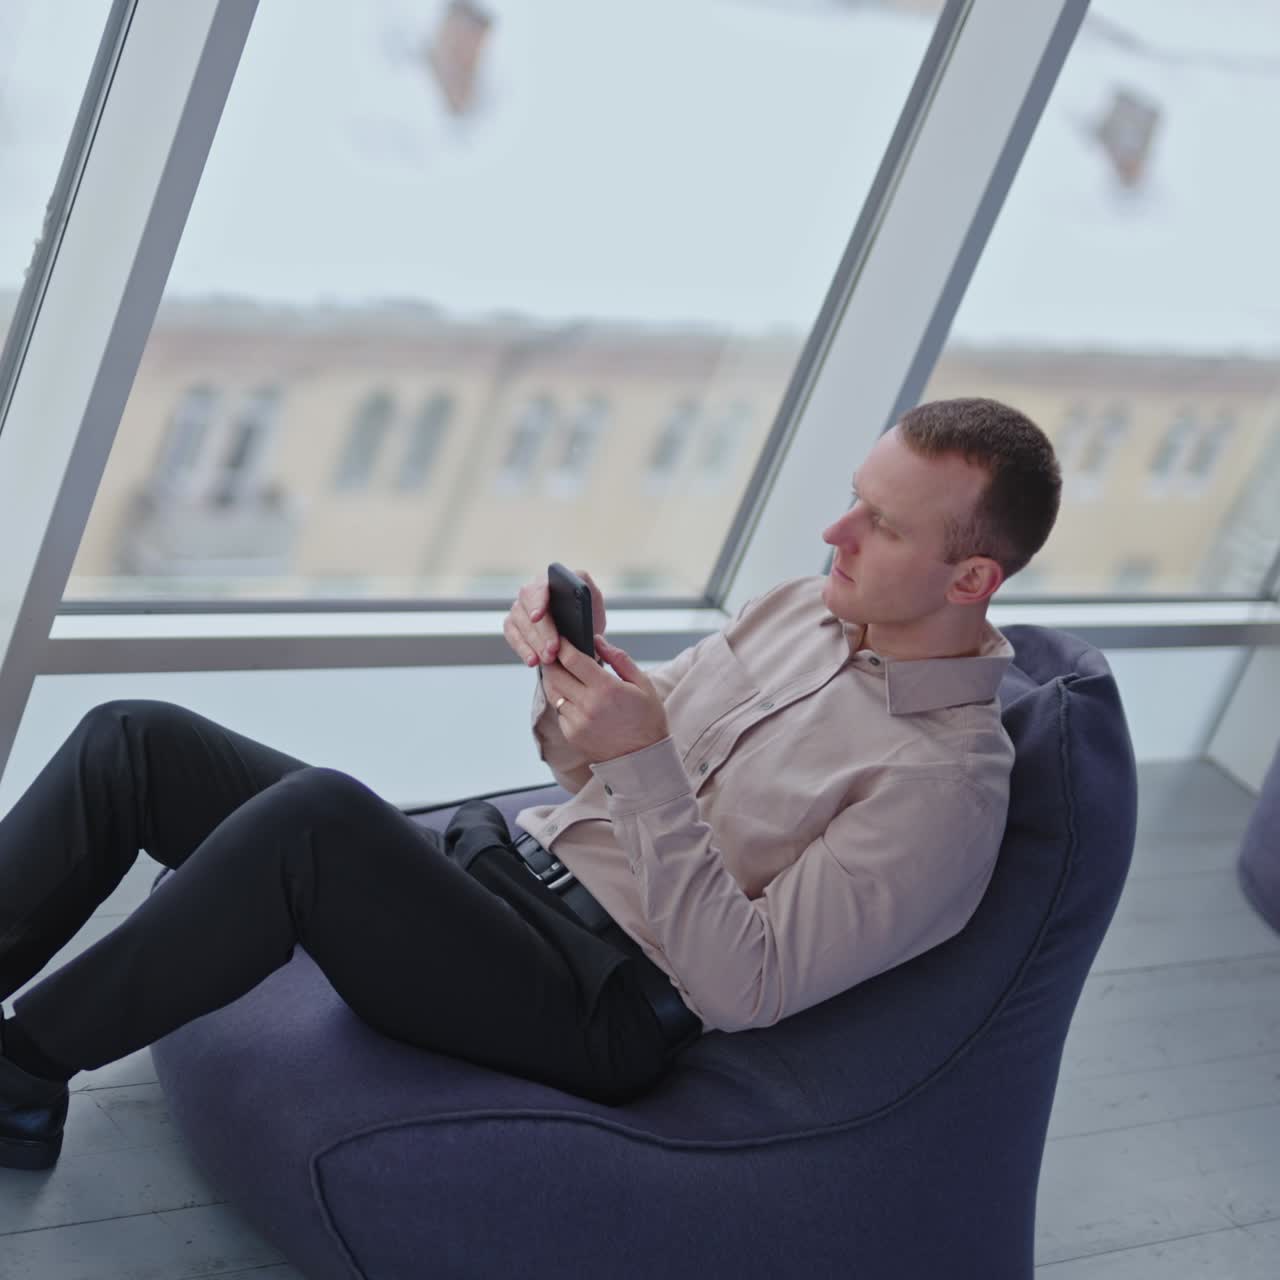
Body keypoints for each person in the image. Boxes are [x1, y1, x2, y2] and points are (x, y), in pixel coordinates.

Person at [0, 395, 1060, 1171]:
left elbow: (745, 987)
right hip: (502, 877)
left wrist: (639, 758)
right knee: (135, 739)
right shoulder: (801, 607)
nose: (835, 532)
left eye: (881, 523)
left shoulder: (944, 787)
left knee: (315, 818)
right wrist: (570, 680)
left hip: (592, 1002)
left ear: (970, 578)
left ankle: (20, 1074)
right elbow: (594, 761)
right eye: (851, 499)